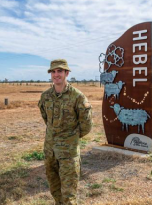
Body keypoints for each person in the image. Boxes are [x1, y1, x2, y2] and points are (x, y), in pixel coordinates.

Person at [38, 59, 93, 205]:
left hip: (68, 153)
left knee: (69, 195)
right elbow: (46, 118)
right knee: (55, 189)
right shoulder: (45, 96)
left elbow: (86, 125)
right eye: (53, 71)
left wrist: (71, 137)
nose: (56, 75)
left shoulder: (78, 97)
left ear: (66, 73)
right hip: (50, 150)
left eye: (60, 71)